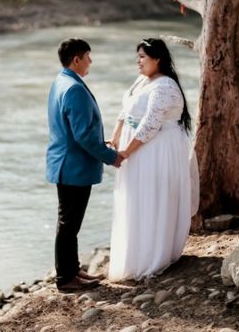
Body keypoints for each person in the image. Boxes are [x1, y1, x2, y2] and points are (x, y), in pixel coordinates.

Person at [108, 37, 193, 281]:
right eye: (138, 57)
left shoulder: (165, 86)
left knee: (152, 197)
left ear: (157, 59)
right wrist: (115, 137)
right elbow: (126, 108)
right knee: (136, 198)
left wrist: (125, 152)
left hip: (157, 149)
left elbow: (150, 124)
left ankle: (153, 254)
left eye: (143, 57)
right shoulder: (143, 80)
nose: (138, 61)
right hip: (138, 147)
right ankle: (135, 250)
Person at [46, 38, 124, 292]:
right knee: (69, 224)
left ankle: (72, 270)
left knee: (68, 223)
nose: (91, 60)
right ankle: (65, 279)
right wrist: (110, 156)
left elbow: (75, 130)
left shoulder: (61, 81)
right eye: (88, 56)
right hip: (73, 167)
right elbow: (82, 135)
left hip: (65, 163)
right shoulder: (74, 88)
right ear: (76, 59)